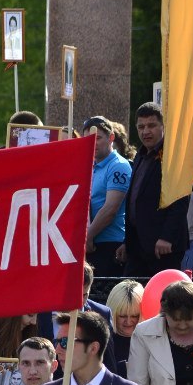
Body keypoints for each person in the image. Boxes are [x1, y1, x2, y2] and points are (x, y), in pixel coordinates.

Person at [117, 102, 188, 277]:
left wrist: (167, 237)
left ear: (163, 126)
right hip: (138, 246)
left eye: (151, 125)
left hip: (163, 247)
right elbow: (136, 201)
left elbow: (180, 199)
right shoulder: (140, 156)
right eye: (141, 127)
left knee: (163, 300)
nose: (145, 131)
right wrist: (128, 242)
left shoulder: (172, 156)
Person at [82, 116, 132, 280]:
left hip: (109, 245)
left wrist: (88, 236)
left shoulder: (118, 166)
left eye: (98, 138)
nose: (93, 143)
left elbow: (110, 208)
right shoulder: (89, 165)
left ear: (111, 138)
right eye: (89, 139)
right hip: (90, 243)